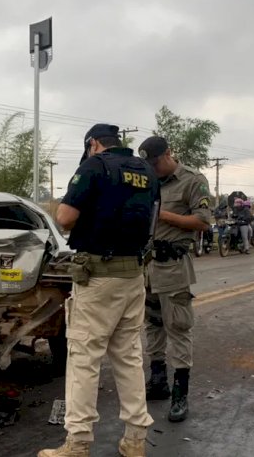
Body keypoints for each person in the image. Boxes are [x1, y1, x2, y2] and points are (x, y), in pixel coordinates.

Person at [39, 124, 159, 457]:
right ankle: (135, 440)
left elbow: (64, 217)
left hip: (98, 279)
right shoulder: (146, 171)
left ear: (93, 144)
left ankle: (77, 443)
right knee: (129, 357)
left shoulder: (95, 166)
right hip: (133, 275)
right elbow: (151, 219)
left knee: (84, 359)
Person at [138, 136, 212, 424]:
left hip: (173, 265)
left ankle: (181, 393)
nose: (153, 168)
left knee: (178, 326)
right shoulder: (147, 181)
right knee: (153, 324)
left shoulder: (193, 180)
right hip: (148, 266)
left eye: (156, 162)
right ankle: (158, 381)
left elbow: (203, 221)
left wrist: (161, 215)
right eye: (150, 164)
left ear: (169, 154)